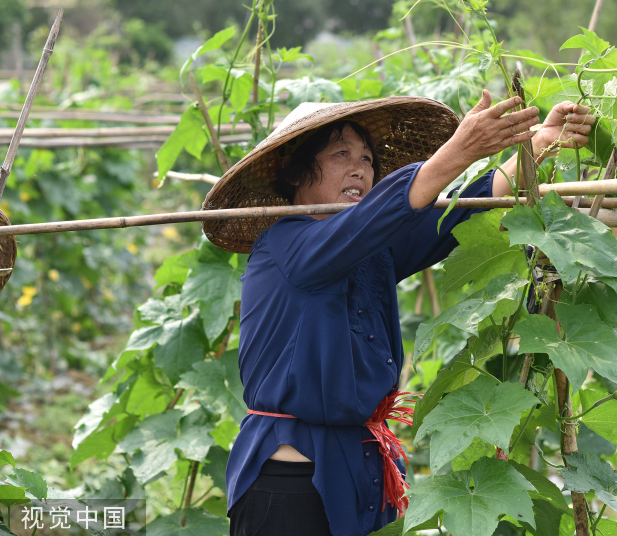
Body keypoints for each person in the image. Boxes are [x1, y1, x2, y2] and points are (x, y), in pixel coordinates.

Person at [199, 91, 595, 536]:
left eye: (367, 159)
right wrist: (458, 151)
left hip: (361, 468)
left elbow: (463, 212)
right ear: (293, 171)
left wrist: (542, 141)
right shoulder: (286, 243)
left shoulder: (370, 248)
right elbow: (378, 216)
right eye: (340, 154)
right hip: (291, 485)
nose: (359, 168)